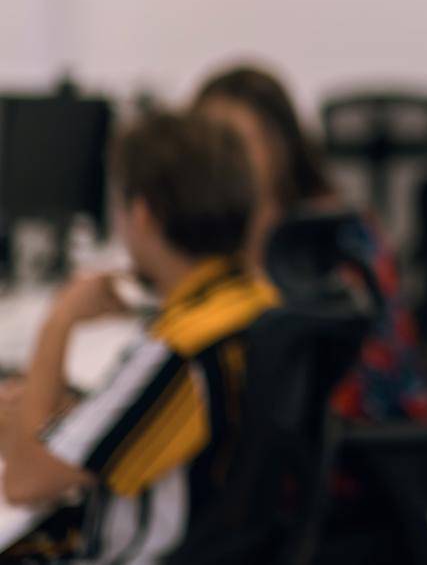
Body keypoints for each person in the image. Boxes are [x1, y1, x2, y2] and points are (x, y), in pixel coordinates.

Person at [0, 111, 278, 563]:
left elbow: (23, 482)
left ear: (142, 213)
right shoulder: (253, 299)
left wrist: (61, 319)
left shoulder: (180, 349)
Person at [193, 64, 427, 424]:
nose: (221, 161)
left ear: (280, 146)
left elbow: (370, 358)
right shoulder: (205, 234)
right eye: (206, 146)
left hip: (347, 436)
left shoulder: (336, 233)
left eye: (235, 143)